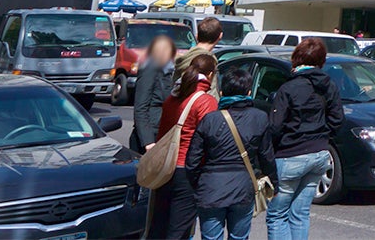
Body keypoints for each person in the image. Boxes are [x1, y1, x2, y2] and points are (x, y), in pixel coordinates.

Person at [265, 38, 344, 240]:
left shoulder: (289, 88)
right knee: (300, 214)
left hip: (290, 154)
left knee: (277, 214)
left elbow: (274, 126)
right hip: (319, 152)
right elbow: (337, 119)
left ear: (296, 59)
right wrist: (322, 136)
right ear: (321, 61)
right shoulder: (329, 85)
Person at [187, 64, 272, 240]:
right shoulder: (260, 118)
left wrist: (198, 183)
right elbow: (266, 156)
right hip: (242, 187)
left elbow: (192, 161)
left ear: (222, 93)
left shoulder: (210, 120)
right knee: (239, 237)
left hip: (210, 188)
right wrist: (274, 183)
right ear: (249, 93)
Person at [147, 53, 219, 237]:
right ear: (210, 75)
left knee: (160, 224)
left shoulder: (173, 98)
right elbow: (209, 139)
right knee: (179, 230)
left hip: (166, 167)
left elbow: (162, 132)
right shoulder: (205, 101)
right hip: (187, 169)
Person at [131, 34, 178, 153]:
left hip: (162, 133)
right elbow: (140, 107)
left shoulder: (168, 71)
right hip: (150, 137)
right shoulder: (149, 70)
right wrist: (148, 141)